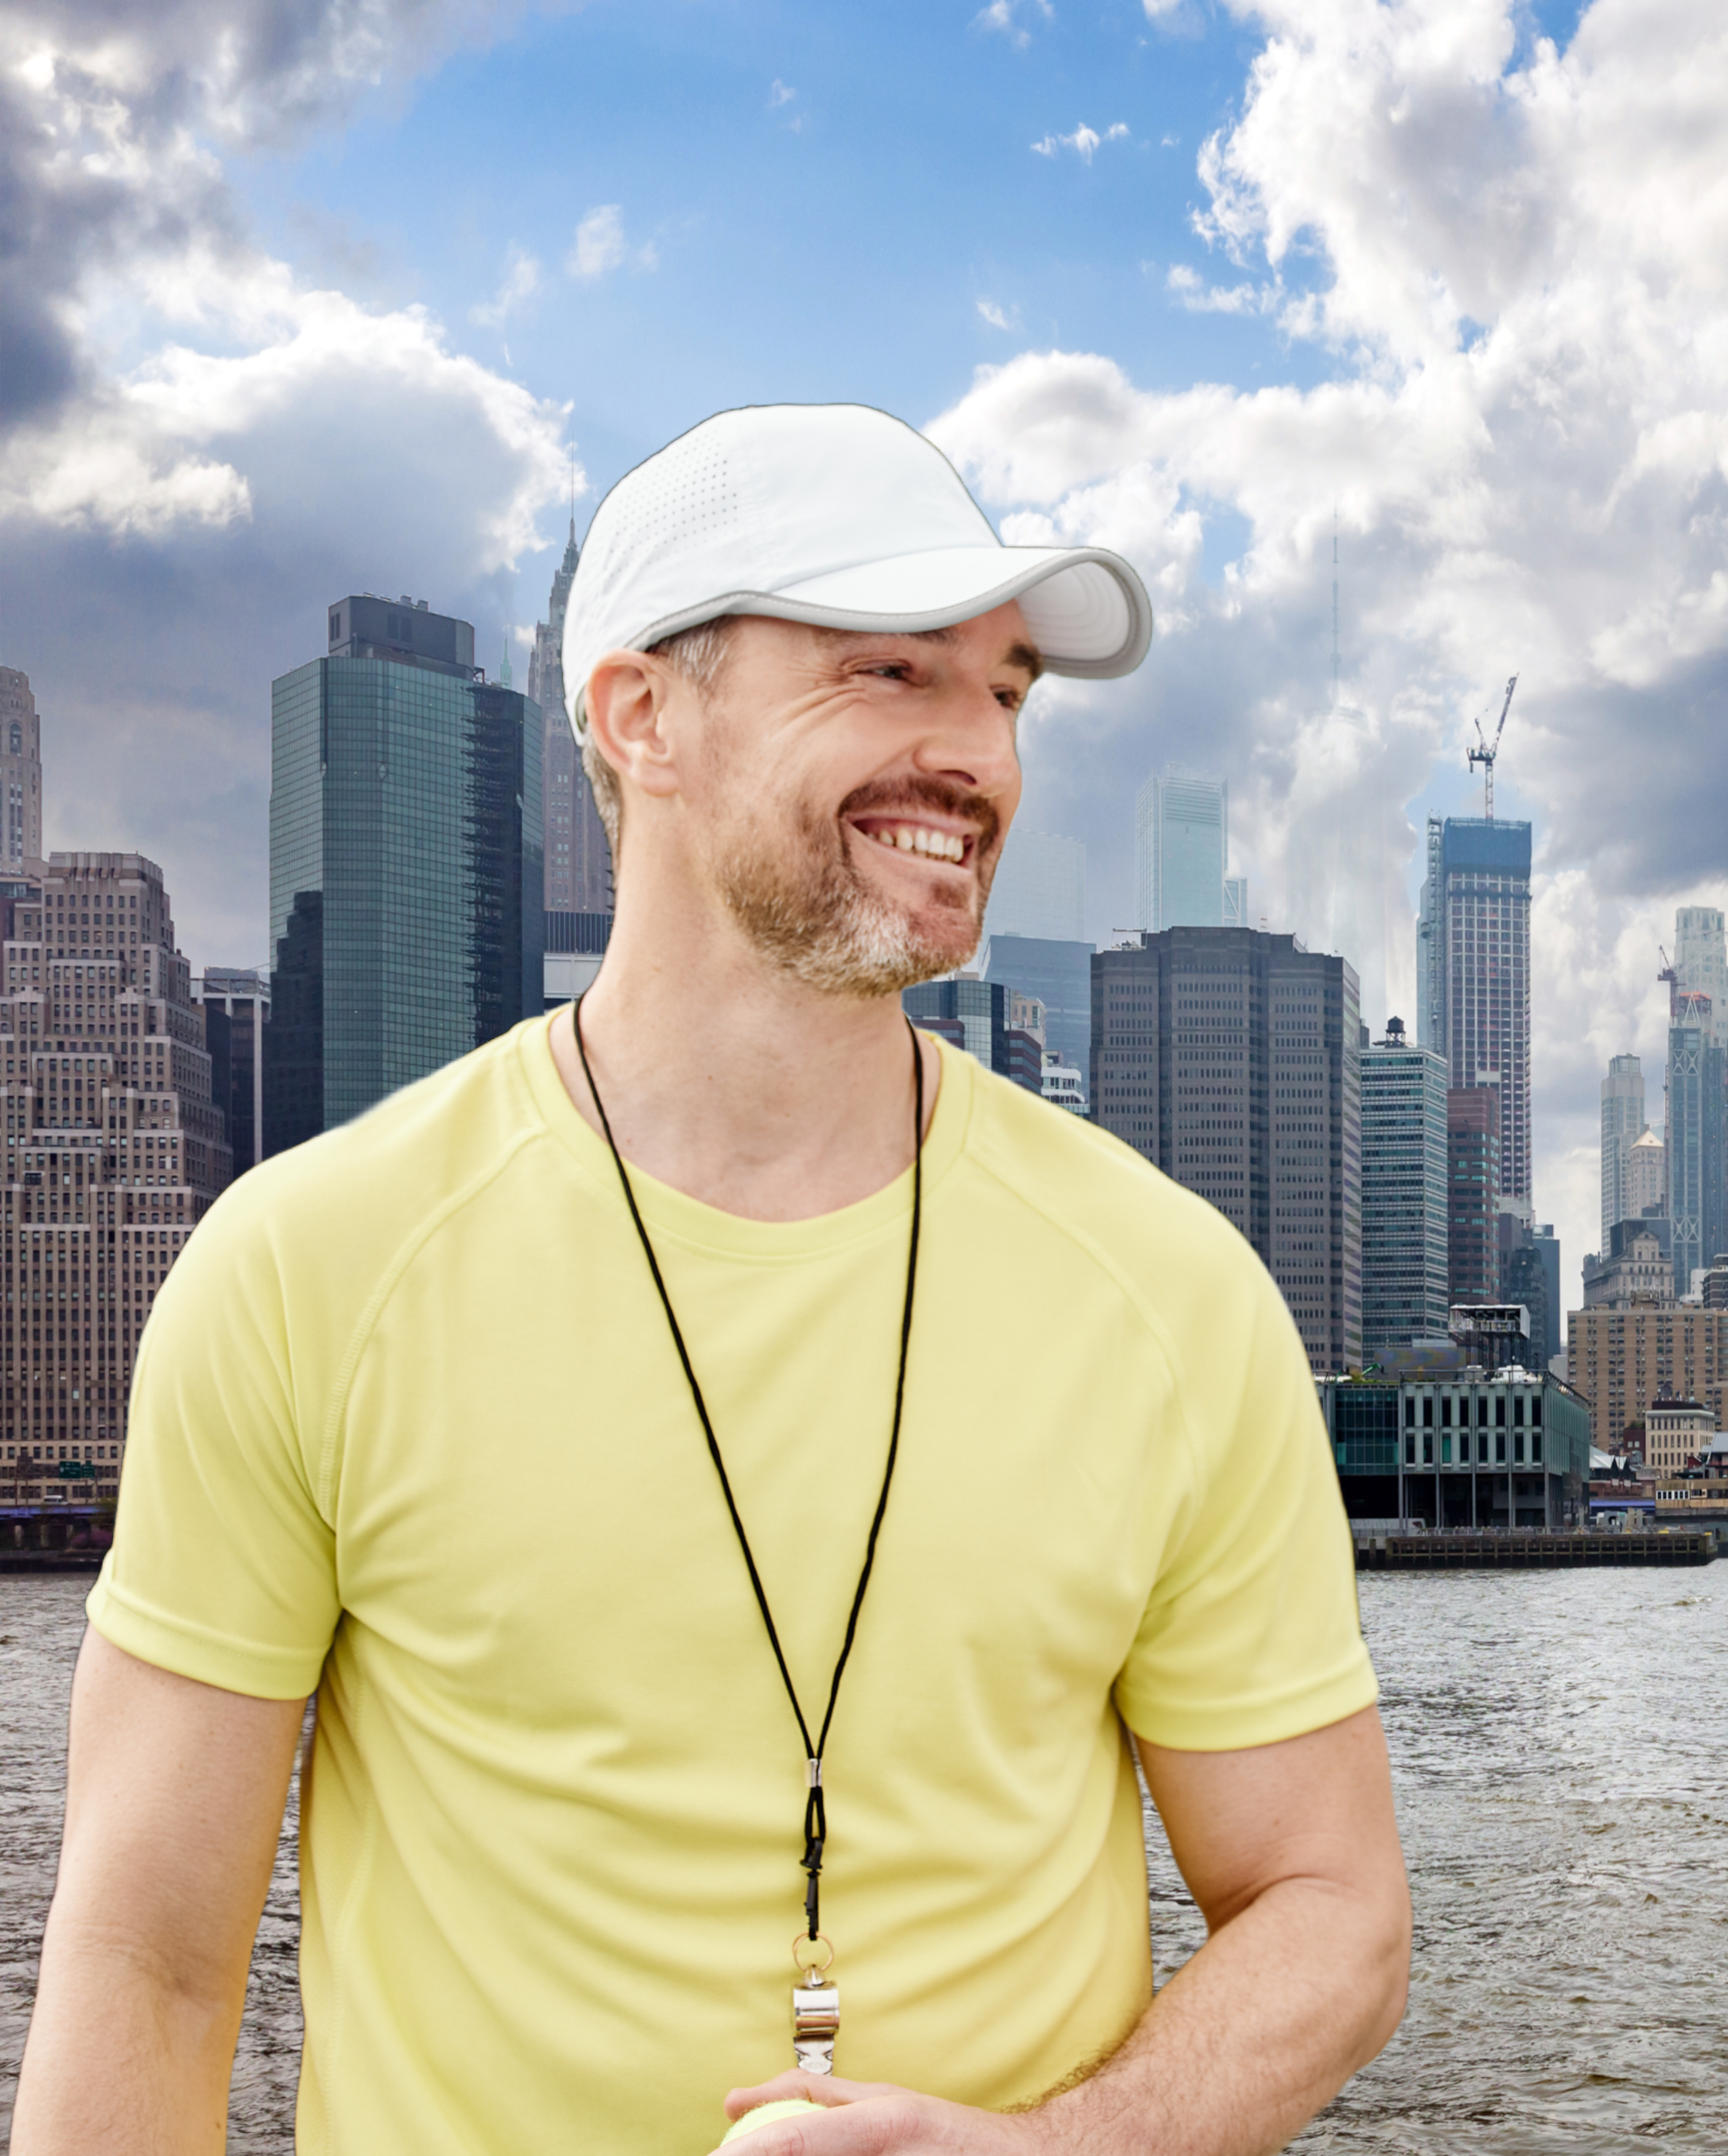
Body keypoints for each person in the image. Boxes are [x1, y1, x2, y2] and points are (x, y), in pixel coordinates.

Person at [19, 403, 1410, 2152]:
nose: (979, 752)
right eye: (892, 673)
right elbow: (145, 1960)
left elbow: (1333, 1906)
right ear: (640, 715)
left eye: (1003, 691)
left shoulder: (1176, 1293)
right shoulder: (306, 1272)